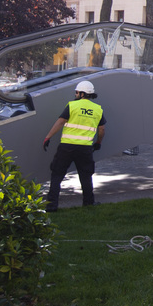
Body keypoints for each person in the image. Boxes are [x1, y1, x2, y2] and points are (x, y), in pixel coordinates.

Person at [43, 80, 106, 212]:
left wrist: (48, 137)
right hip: (85, 148)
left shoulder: (72, 106)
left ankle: (52, 206)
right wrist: (98, 142)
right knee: (86, 176)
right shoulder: (98, 109)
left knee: (57, 175)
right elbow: (101, 130)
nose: (76, 94)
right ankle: (88, 203)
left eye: (77, 92)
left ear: (82, 94)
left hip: (67, 147)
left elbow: (61, 122)